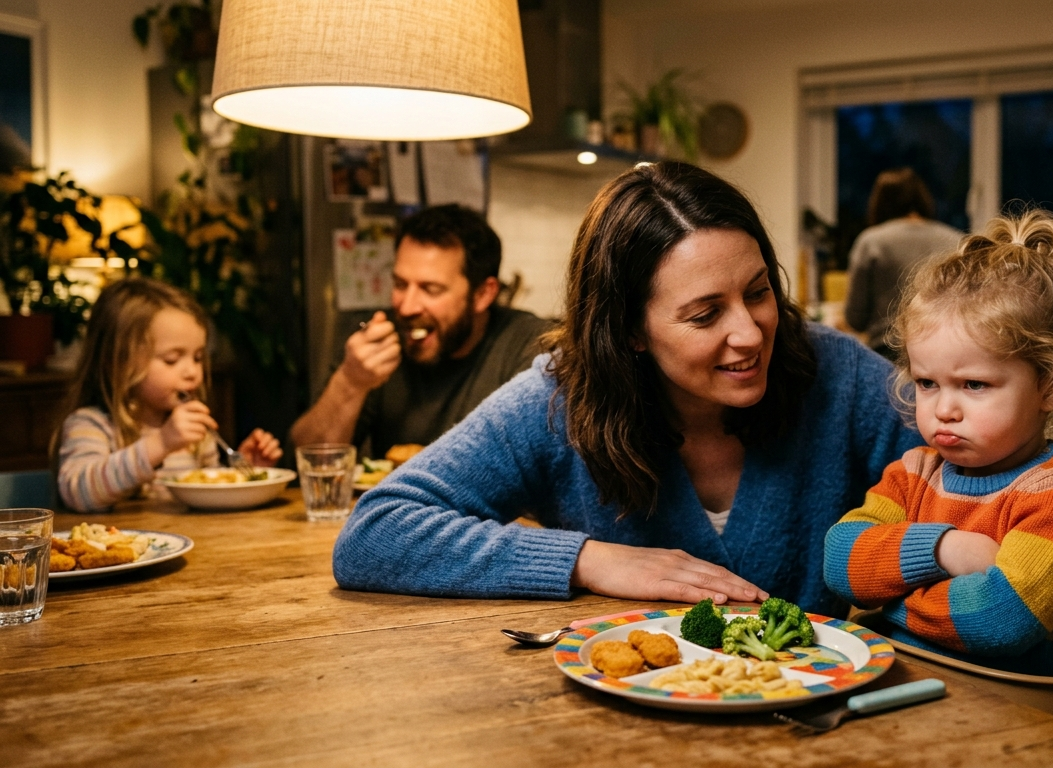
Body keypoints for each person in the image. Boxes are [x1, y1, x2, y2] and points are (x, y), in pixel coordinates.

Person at [332, 161, 922, 616]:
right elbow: (375, 530)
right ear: (630, 329)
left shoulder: (837, 372)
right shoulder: (556, 399)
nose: (749, 333)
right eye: (704, 314)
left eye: (759, 291)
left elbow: (989, 489)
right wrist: (587, 560)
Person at [823, 210, 1053, 677]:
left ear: (1051, 385)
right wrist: (945, 550)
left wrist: (884, 604)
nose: (944, 409)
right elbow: (839, 559)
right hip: (929, 691)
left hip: (1033, 717)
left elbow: (996, 621)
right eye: (927, 383)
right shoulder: (916, 471)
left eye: (974, 385)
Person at [290, 204, 549, 457]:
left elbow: (539, 469)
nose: (407, 307)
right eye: (400, 284)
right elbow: (304, 463)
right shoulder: (376, 344)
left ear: (483, 294)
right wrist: (350, 382)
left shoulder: (531, 347)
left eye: (431, 289)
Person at [56, 278, 282, 513]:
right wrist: (161, 443)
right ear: (119, 363)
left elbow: (205, 498)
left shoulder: (195, 434)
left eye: (197, 357)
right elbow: (79, 493)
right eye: (172, 360)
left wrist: (243, 474)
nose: (193, 372)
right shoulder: (91, 425)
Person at [844, 168, 963, 357]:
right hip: (947, 351)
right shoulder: (955, 240)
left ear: (879, 202)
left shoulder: (871, 242)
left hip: (886, 354)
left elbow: (855, 318)